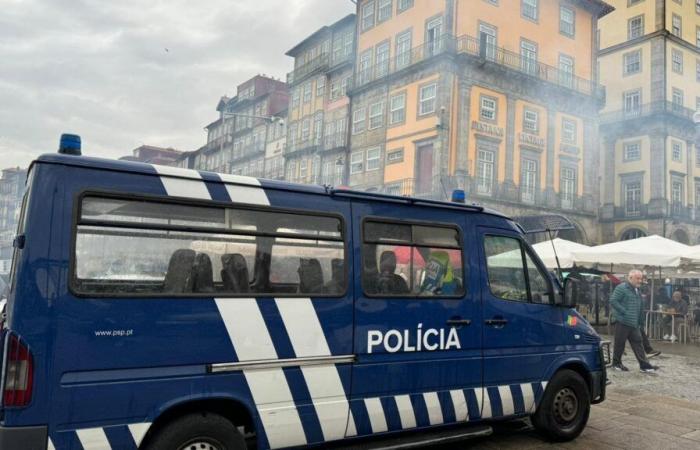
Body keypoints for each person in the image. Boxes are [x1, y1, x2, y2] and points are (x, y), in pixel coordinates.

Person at [610, 269, 659, 373]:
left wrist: (640, 321)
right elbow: (613, 301)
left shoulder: (637, 290)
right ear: (630, 278)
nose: (640, 280)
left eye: (641, 278)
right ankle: (616, 363)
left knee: (638, 343)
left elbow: (640, 306)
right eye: (638, 278)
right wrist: (624, 312)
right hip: (622, 321)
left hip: (634, 323)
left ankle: (644, 366)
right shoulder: (621, 287)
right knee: (620, 344)